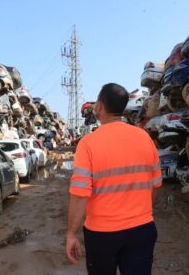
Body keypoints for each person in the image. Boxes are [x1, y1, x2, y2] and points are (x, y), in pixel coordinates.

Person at [66, 83, 162, 275]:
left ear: (100, 107)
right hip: (142, 230)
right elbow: (156, 185)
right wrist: (140, 213)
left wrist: (71, 234)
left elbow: (79, 194)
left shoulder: (88, 144)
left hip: (102, 234)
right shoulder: (144, 138)